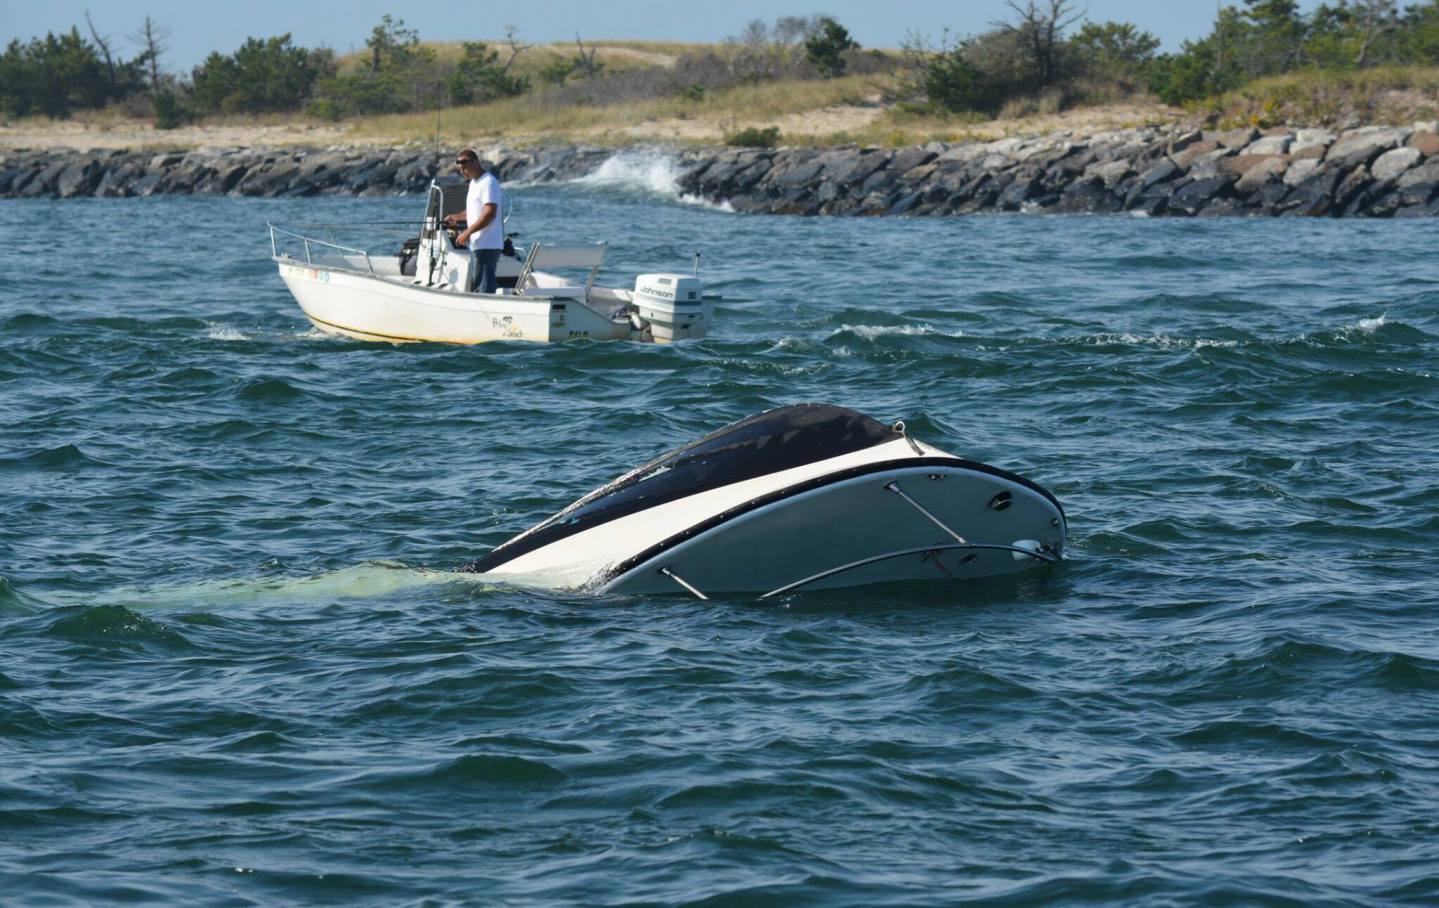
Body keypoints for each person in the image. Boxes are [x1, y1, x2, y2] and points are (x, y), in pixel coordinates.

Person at [444, 149, 504, 294]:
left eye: (465, 168)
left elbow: (489, 213)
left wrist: (467, 232)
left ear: (476, 162)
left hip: (487, 245)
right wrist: (457, 217)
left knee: (484, 287)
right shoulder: (473, 183)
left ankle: (488, 313)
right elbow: (474, 211)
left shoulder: (488, 182)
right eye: (460, 169)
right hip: (478, 244)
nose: (462, 172)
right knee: (479, 284)